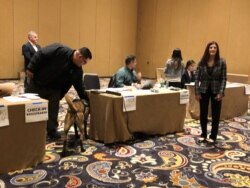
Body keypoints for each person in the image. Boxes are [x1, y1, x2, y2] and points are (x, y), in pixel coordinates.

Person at [26, 43, 92, 140]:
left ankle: (52, 131)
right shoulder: (60, 50)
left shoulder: (78, 71)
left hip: (55, 89)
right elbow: (41, 53)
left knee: (53, 110)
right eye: (84, 62)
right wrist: (31, 68)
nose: (84, 64)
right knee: (31, 107)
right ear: (80, 56)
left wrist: (89, 100)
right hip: (38, 82)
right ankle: (28, 130)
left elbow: (80, 88)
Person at [194, 41, 227, 145]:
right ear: (207, 49)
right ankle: (203, 134)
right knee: (203, 114)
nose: (212, 49)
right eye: (210, 47)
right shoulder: (201, 62)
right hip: (203, 90)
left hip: (216, 91)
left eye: (214, 47)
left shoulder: (222, 62)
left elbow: (223, 78)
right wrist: (197, 92)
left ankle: (213, 136)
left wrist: (221, 92)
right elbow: (196, 78)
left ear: (217, 50)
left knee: (215, 115)